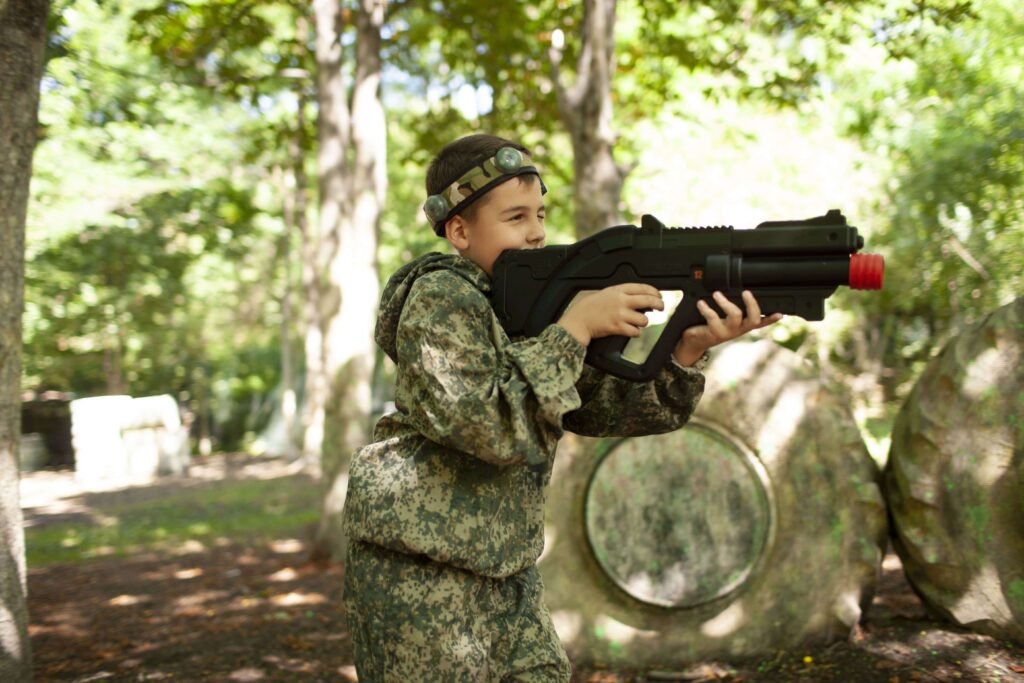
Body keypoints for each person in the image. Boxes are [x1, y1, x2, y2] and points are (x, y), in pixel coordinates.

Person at [341, 134, 782, 681]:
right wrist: (574, 328)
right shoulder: (439, 298)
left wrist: (689, 348)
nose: (537, 232)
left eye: (541, 214)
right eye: (515, 217)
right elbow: (491, 426)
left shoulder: (522, 306)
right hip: (420, 572)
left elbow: (592, 409)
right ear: (459, 230)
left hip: (506, 571)